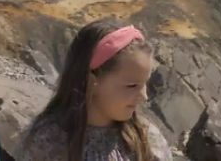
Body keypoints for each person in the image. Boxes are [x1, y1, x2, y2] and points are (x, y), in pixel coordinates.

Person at [18, 19, 172, 161]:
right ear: (92, 79)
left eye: (145, 84)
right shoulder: (47, 143)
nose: (143, 96)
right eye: (132, 86)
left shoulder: (147, 140)